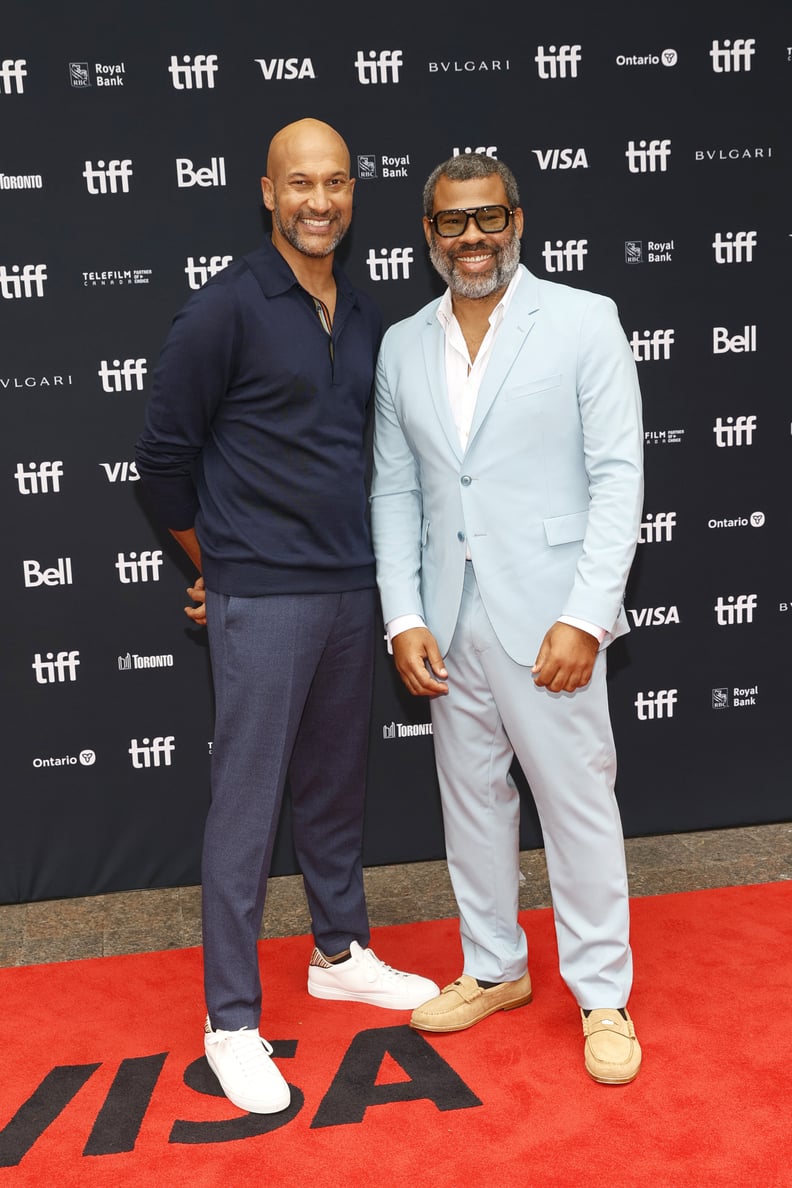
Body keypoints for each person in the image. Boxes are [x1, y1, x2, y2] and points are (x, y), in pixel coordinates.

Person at [135, 118, 438, 1116]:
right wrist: (216, 567)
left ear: (355, 194)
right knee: (246, 810)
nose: (319, 202)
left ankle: (340, 953)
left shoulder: (360, 312)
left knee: (333, 787)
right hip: (261, 595)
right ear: (267, 193)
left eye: (336, 184)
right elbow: (163, 463)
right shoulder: (224, 308)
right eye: (299, 185)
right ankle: (230, 1021)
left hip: (353, 586)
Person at [370, 152, 644, 1084]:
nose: (473, 237)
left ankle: (603, 993)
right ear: (429, 235)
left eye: (488, 217)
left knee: (577, 806)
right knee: (471, 802)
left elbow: (617, 479)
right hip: (450, 617)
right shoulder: (404, 343)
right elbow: (396, 490)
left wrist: (588, 614)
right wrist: (403, 615)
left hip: (552, 617)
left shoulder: (582, 320)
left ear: (517, 219)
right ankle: (493, 967)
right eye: (453, 222)